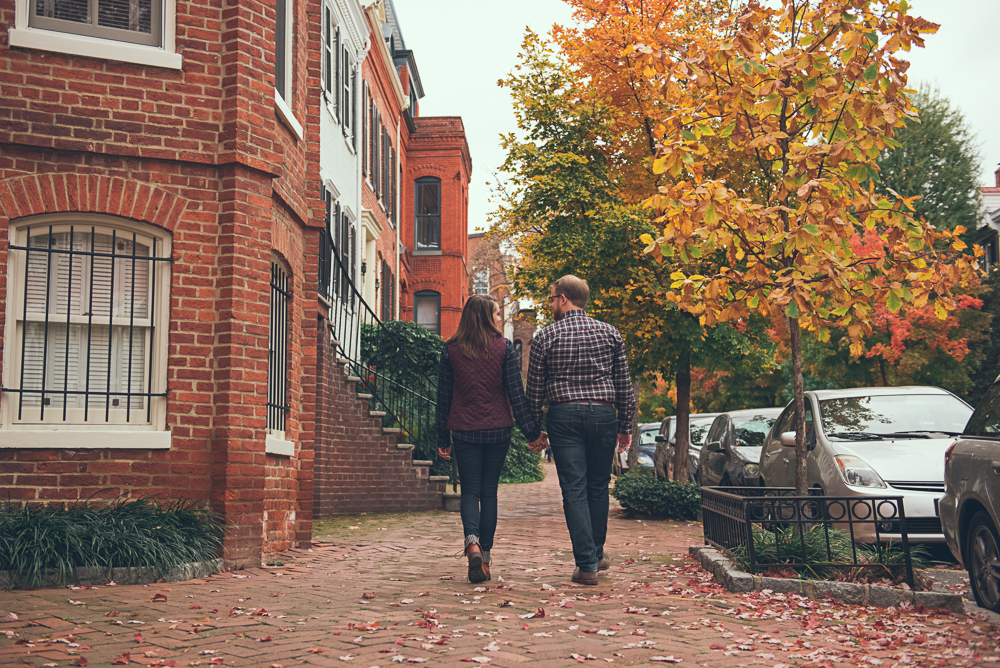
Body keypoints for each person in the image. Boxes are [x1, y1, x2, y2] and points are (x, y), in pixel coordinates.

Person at [526, 275, 636, 586]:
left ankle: (587, 563)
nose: (550, 305)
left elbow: (534, 391)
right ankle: (596, 554)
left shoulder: (545, 337)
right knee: (599, 487)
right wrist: (625, 426)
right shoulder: (610, 333)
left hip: (564, 415)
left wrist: (534, 431)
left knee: (574, 489)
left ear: (563, 298)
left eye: (551, 299)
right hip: (603, 414)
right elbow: (623, 385)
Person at [437, 294, 546, 583]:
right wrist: (533, 433)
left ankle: (471, 542)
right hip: (498, 429)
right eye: (497, 314)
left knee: (470, 491)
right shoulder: (504, 347)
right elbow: (515, 394)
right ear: (486, 316)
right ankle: (484, 558)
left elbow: (443, 397)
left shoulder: (450, 349)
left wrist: (442, 436)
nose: (499, 318)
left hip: (463, 430)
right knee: (489, 492)